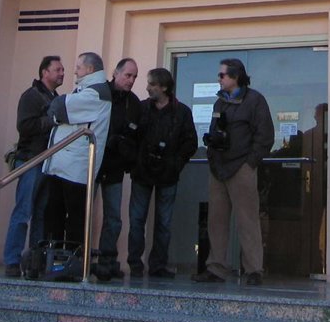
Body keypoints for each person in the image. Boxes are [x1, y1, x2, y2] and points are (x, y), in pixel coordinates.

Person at [191, 58, 274, 286]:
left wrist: (250, 163)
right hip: (218, 168)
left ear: (235, 77)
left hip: (241, 167)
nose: (218, 79)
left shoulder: (255, 100)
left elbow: (265, 136)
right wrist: (211, 151)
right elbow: (214, 131)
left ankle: (254, 269)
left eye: (222, 75)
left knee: (247, 220)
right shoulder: (220, 103)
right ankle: (216, 268)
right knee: (216, 221)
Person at [127, 67, 197, 279]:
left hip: (168, 174)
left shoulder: (182, 112)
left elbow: (190, 142)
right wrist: (135, 161)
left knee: (163, 223)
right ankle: (135, 264)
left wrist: (176, 163)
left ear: (164, 87)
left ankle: (158, 265)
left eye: (152, 84)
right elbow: (130, 137)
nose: (147, 88)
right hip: (142, 172)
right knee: (136, 220)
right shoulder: (141, 108)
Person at [2, 55, 64, 278]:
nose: (62, 73)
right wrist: (52, 121)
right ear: (44, 72)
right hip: (31, 160)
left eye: (62, 70)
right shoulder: (31, 96)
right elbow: (25, 126)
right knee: (23, 211)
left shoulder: (55, 98)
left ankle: (34, 262)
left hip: (46, 162)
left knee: (40, 213)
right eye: (57, 69)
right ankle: (12, 260)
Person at [42, 53, 111, 251]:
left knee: (74, 221)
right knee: (54, 215)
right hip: (64, 165)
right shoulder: (87, 90)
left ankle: (71, 262)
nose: (74, 71)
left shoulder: (96, 93)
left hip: (76, 169)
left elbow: (59, 107)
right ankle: (53, 258)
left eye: (78, 67)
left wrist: (59, 112)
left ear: (90, 69)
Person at [94, 58, 141, 281]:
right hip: (93, 163)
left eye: (134, 77)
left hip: (115, 166)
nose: (131, 80)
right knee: (83, 212)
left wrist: (126, 151)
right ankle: (78, 258)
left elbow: (136, 134)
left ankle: (107, 261)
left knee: (113, 217)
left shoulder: (134, 103)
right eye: (128, 75)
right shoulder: (99, 93)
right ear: (116, 73)